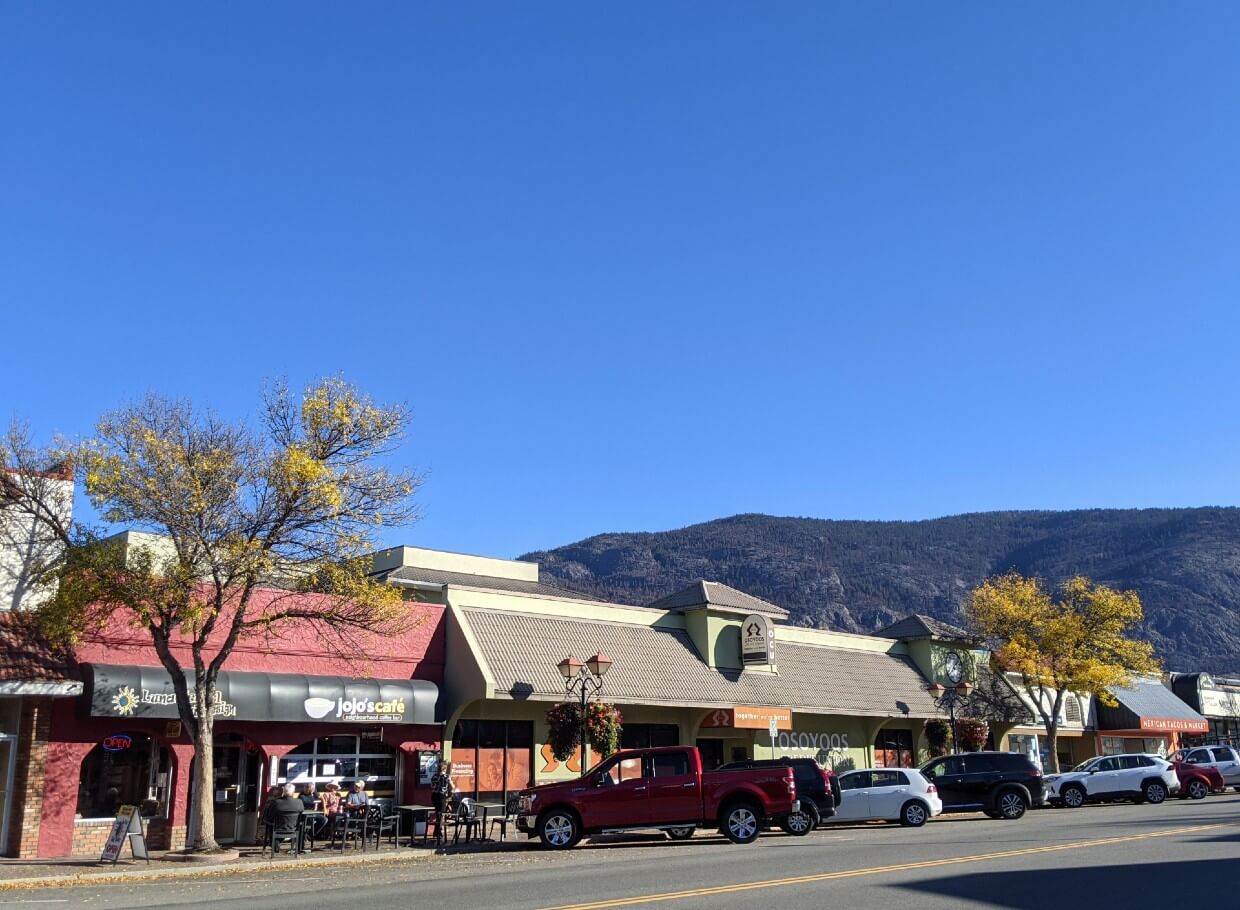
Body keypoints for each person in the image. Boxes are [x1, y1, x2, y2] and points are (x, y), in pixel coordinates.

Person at [430, 760, 455, 845]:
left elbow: (432, 786)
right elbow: (453, 786)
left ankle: (436, 833)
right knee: (441, 816)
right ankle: (439, 834)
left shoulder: (434, 776)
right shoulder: (447, 777)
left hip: (434, 796)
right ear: (444, 768)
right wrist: (450, 792)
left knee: (438, 814)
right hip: (442, 797)